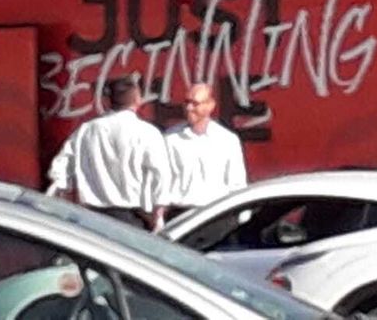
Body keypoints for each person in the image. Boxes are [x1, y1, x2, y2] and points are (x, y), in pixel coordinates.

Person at [46, 76, 171, 230]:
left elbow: (60, 169)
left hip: (91, 218)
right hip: (131, 219)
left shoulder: (86, 130)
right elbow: (161, 175)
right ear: (137, 99)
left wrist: (63, 196)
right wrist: (158, 215)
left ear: (108, 101)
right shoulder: (147, 133)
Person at [162, 83, 247, 223]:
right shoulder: (171, 139)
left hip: (216, 215)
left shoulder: (227, 140)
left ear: (210, 105)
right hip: (180, 214)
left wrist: (241, 218)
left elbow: (237, 183)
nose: (189, 108)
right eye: (187, 102)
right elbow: (162, 181)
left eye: (195, 103)